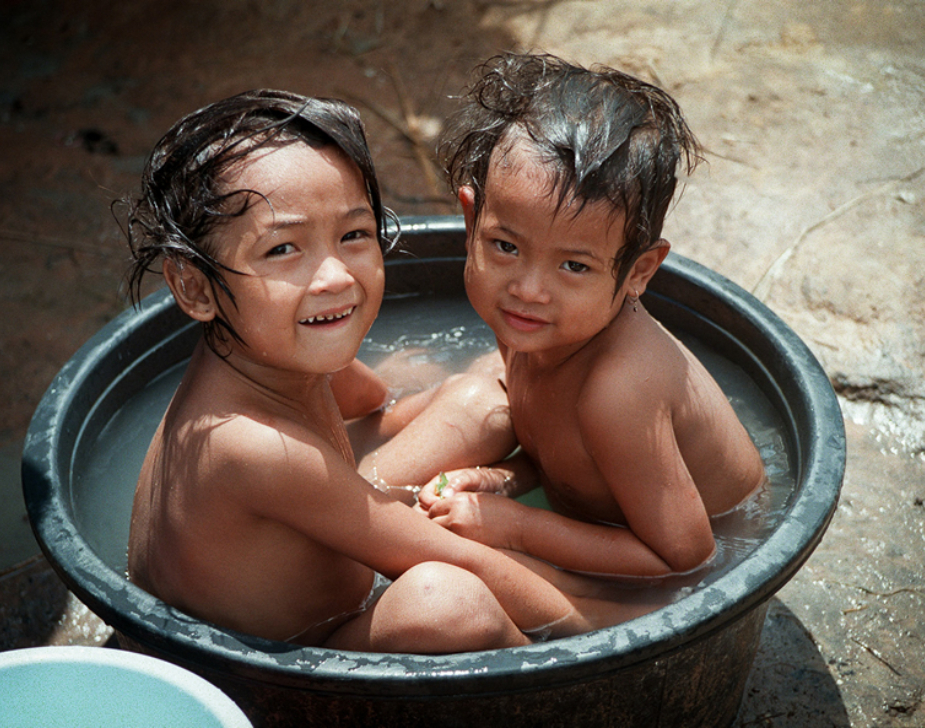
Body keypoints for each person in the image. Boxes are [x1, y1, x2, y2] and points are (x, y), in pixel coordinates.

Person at [120, 88, 596, 653]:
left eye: (353, 235)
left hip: (332, 531)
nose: (335, 277)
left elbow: (373, 402)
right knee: (447, 601)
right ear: (195, 287)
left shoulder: (270, 345)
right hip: (283, 672)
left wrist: (485, 447)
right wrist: (623, 622)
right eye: (282, 250)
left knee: (479, 402)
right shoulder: (248, 447)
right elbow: (454, 557)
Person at [418, 54, 767, 580]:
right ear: (471, 221)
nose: (528, 289)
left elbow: (687, 557)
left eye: (575, 265)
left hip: (713, 559)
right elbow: (569, 459)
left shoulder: (617, 392)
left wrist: (514, 527)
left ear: (639, 272)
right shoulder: (533, 325)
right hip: (622, 519)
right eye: (506, 246)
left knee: (465, 585)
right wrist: (502, 481)